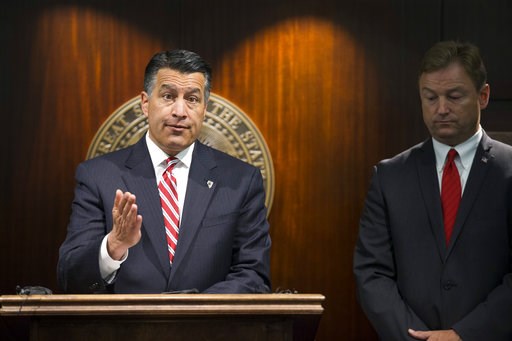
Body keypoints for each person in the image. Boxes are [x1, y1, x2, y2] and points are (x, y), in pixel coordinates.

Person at [58, 49, 271, 294]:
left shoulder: (241, 180)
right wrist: (113, 246)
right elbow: (69, 277)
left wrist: (192, 313)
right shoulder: (98, 176)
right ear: (146, 103)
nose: (180, 111)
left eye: (192, 99)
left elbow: (254, 276)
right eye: (168, 96)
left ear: (204, 108)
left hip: (209, 330)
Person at [353, 41, 512, 340]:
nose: (441, 109)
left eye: (454, 96)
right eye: (430, 97)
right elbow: (372, 274)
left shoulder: (508, 171)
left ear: (483, 95)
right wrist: (417, 337)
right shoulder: (390, 176)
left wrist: (464, 335)